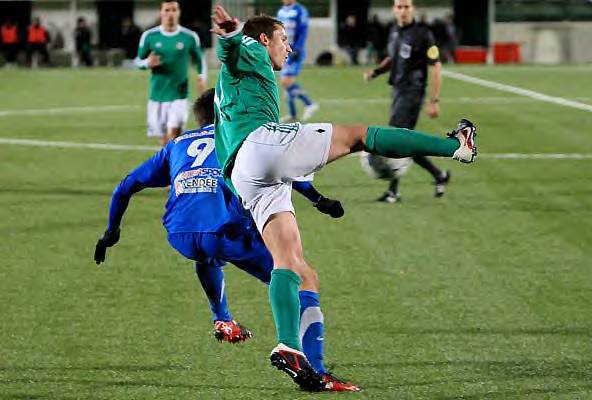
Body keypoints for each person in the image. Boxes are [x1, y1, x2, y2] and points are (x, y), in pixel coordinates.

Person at [211, 5, 477, 391]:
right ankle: (455, 145)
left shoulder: (246, 73)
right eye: (284, 40)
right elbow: (232, 52)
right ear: (265, 38)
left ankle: (292, 348)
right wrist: (235, 34)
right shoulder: (251, 47)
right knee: (357, 136)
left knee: (293, 265)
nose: (289, 48)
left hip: (244, 175)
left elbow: (232, 61)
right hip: (260, 143)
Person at [93, 89, 352, 390]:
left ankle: (223, 319)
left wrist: (111, 232)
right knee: (302, 276)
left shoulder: (177, 143)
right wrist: (320, 200)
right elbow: (283, 171)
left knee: (206, 253)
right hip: (226, 231)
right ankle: (315, 371)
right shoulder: (240, 137)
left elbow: (126, 186)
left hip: (180, 234)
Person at [364, 0, 449, 203]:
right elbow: (392, 59)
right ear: (394, 10)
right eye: (399, 7)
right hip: (398, 92)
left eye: (406, 7)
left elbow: (436, 67)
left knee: (397, 139)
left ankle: (394, 191)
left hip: (413, 93)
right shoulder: (394, 31)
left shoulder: (423, 34)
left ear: (413, 9)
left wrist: (434, 99)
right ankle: (439, 175)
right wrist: (375, 72)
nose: (402, 11)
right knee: (404, 142)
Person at [135, 0, 206, 145]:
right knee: (164, 141)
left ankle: (174, 166)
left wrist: (201, 77)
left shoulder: (189, 37)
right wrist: (148, 63)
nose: (170, 14)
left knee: (174, 135)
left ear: (179, 12)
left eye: (174, 10)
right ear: (161, 13)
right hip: (157, 94)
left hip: (179, 95)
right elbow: (138, 61)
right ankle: (169, 166)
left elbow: (200, 60)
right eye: (167, 10)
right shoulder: (150, 36)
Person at [276, 0, 319, 122]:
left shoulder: (300, 10)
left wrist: (298, 49)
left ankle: (310, 104)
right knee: (286, 84)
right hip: (284, 50)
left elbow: (303, 31)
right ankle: (293, 115)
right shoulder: (281, 11)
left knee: (286, 82)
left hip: (294, 51)